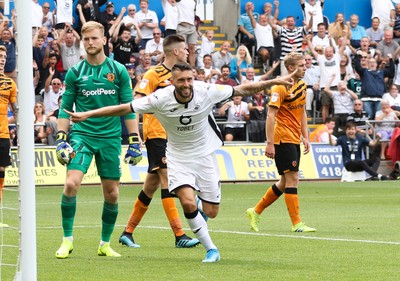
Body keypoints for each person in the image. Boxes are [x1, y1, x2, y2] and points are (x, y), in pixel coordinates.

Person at [65, 62, 297, 263]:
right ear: (173, 82)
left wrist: (275, 81)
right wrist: (87, 114)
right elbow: (125, 108)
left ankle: (200, 204)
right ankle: (211, 249)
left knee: (211, 211)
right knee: (186, 203)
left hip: (205, 157)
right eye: (181, 80)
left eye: (189, 79)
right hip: (177, 158)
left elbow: (243, 89)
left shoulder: (206, 90)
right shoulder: (160, 98)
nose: (186, 84)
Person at [54, 21, 143, 259]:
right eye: (86, 40)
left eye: (94, 38)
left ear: (104, 40)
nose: (90, 43)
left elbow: (129, 108)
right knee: (71, 184)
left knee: (112, 193)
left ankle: (104, 244)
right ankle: (67, 240)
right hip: (82, 135)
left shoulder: (119, 71)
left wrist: (134, 139)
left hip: (110, 138)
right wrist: (61, 138)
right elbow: (65, 109)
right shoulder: (75, 73)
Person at [118, 35, 199, 249]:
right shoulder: (153, 74)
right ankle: (179, 234)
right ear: (175, 52)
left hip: (173, 135)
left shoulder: (181, 77)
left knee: (150, 187)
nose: (188, 52)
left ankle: (127, 232)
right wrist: (135, 137)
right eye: (185, 49)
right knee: (168, 180)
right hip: (156, 134)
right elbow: (136, 102)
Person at [246, 52, 316, 233]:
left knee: (284, 182)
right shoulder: (279, 87)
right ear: (291, 68)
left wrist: (305, 135)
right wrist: (269, 143)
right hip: (282, 137)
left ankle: (255, 211)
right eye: (301, 65)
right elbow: (270, 116)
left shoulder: (302, 85)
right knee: (293, 179)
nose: (305, 67)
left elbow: (301, 113)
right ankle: (297, 223)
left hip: (294, 138)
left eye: (305, 64)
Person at [0, 45, 17, 228]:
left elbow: (16, 110)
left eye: (4, 56)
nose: (2, 59)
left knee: (1, 171)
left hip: (3, 135)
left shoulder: (9, 83)